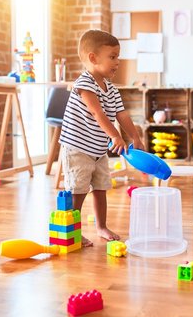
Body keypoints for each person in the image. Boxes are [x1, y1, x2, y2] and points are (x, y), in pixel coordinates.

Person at [59, 29, 144, 247]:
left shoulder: (112, 89)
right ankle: (72, 231)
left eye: (119, 56)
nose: (118, 62)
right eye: (113, 57)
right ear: (93, 58)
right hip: (77, 148)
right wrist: (116, 136)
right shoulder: (84, 83)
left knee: (101, 188)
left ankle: (101, 226)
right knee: (78, 190)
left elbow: (121, 114)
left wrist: (135, 136)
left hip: (97, 150)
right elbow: (98, 113)